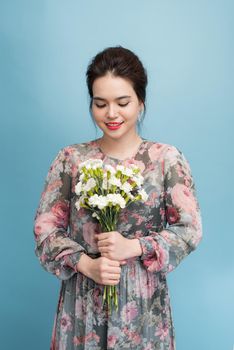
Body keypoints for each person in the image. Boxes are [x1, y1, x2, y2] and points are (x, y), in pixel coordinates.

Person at [33, 45, 203, 350]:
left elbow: (189, 229)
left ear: (140, 102)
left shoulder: (165, 160)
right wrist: (85, 264)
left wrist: (135, 246)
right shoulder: (71, 159)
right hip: (82, 304)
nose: (111, 114)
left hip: (143, 309)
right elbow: (45, 230)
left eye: (122, 102)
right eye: (100, 104)